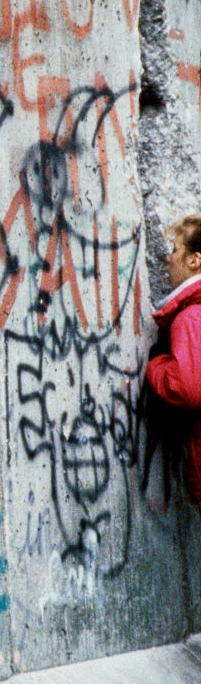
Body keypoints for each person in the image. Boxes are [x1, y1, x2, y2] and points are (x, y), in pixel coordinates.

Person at [147, 215, 201, 503]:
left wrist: (156, 364)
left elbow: (189, 388)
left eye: (176, 250)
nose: (168, 259)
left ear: (195, 260)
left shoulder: (192, 316)